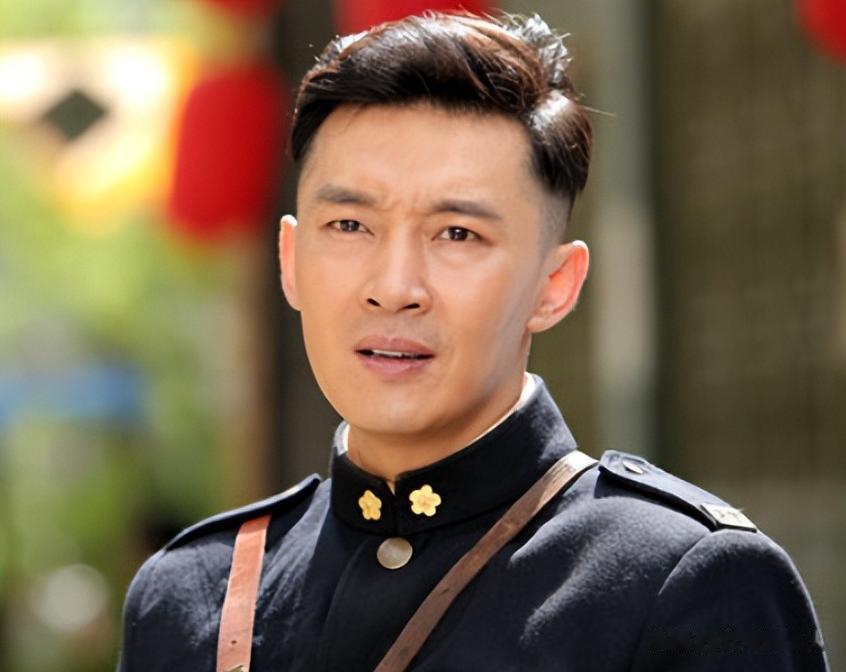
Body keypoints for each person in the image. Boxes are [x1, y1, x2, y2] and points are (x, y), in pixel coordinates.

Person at [117, 11, 829, 672]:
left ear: (555, 286)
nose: (395, 286)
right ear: (291, 260)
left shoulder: (682, 585)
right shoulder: (192, 596)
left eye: (457, 234)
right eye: (350, 226)